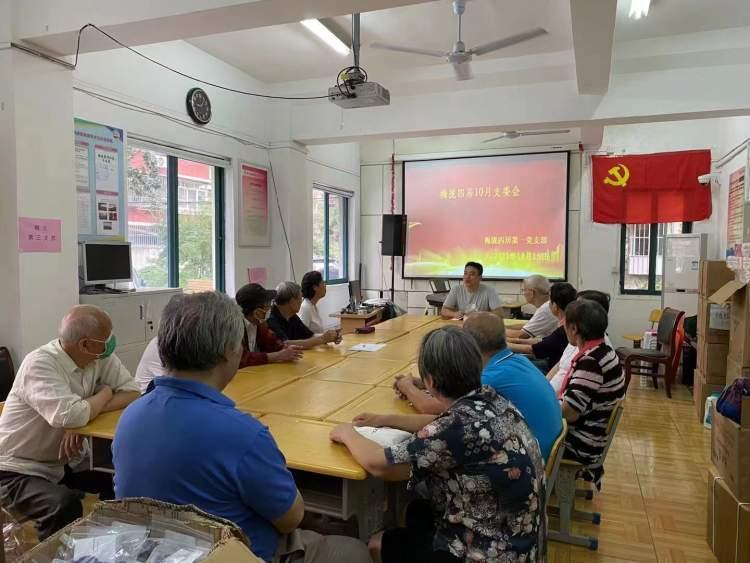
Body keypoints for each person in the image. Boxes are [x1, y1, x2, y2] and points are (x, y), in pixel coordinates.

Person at [113, 292, 370, 563]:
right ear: (228, 350)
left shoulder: (131, 416)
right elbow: (291, 518)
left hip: (158, 553)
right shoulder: (243, 434)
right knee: (353, 551)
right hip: (236, 554)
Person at [330, 326, 545, 563]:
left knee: (378, 542)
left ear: (430, 381)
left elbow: (379, 464)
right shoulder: (492, 398)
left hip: (490, 552)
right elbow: (443, 421)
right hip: (521, 541)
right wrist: (386, 419)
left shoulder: (454, 429)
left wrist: (347, 432)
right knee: (416, 510)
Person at [0, 305, 140, 540]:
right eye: (106, 339)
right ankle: (53, 556)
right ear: (85, 344)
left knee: (122, 476)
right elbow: (70, 415)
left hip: (60, 463)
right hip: (15, 469)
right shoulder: (40, 364)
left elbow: (132, 392)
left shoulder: (98, 356)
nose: (111, 344)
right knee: (63, 505)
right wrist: (103, 394)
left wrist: (84, 415)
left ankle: (110, 544)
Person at [393, 312, 562, 460]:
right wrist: (422, 382)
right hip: (536, 450)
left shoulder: (491, 378)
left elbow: (432, 407)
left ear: (467, 344)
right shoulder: (517, 361)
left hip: (527, 460)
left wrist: (406, 386)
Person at [560, 299, 626, 488]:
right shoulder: (604, 351)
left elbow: (569, 412)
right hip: (591, 436)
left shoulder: (592, 362)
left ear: (573, 329)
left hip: (581, 444)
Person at [547, 290, 613, 396]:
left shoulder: (592, 359)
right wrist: (543, 386)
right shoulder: (578, 339)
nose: (565, 320)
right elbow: (560, 364)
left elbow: (568, 408)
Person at [507, 282, 577, 372]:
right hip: (549, 359)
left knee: (510, 363)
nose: (548, 304)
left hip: (550, 365)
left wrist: (500, 344)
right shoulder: (567, 324)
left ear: (555, 306)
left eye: (550, 301)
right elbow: (544, 340)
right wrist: (514, 341)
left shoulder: (563, 328)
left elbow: (531, 347)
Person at [235, 283, 303, 367]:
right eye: (267, 305)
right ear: (257, 312)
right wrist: (277, 356)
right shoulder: (233, 328)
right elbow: (241, 359)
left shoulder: (260, 324)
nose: (270, 308)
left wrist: (285, 348)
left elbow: (272, 342)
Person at [267, 281, 342, 348]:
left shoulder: (292, 316)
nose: (301, 301)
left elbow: (309, 335)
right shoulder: (271, 319)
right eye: (300, 298)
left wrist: (330, 336)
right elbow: (285, 344)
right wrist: (322, 339)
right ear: (292, 301)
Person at [506, 275, 558, 339]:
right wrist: (506, 327)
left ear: (532, 292)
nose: (523, 293)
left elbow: (521, 335)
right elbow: (528, 325)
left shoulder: (544, 310)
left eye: (524, 290)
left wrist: (497, 331)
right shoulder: (548, 304)